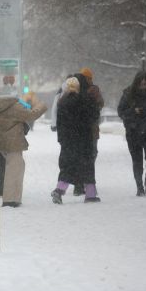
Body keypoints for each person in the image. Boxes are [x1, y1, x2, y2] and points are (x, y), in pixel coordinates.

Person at [51, 75, 101, 204]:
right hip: (84, 139)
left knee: (67, 167)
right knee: (88, 167)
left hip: (68, 140)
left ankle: (59, 190)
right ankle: (90, 194)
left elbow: (60, 123)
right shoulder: (85, 100)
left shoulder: (62, 102)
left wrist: (62, 140)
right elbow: (94, 115)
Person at [0, 90, 47, 207]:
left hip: (3, 141)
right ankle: (10, 200)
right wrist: (42, 106)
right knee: (14, 170)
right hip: (13, 142)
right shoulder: (14, 106)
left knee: (14, 168)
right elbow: (31, 115)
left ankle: (14, 198)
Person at [73, 68, 104, 196]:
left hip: (89, 130)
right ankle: (83, 183)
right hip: (87, 129)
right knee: (87, 156)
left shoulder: (92, 90)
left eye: (90, 78)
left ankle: (83, 182)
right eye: (88, 78)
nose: (90, 80)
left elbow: (100, 104)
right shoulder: (80, 90)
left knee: (90, 155)